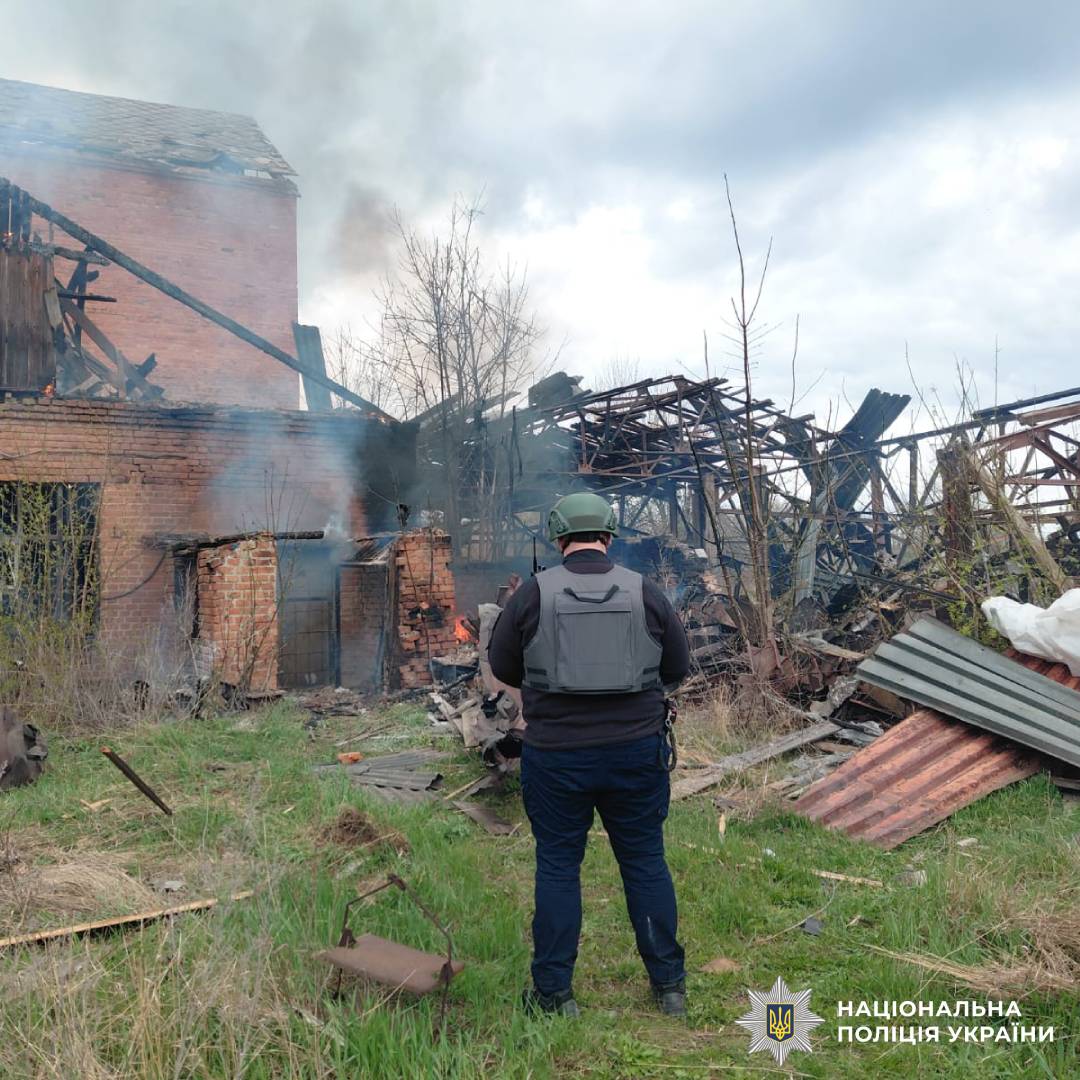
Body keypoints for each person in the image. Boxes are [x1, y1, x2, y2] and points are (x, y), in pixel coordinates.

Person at [488, 492, 691, 1019]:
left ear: (558, 538)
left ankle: (555, 994)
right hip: (636, 754)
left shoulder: (533, 594)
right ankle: (669, 986)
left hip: (556, 756)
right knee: (646, 863)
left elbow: (504, 667)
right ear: (609, 535)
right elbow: (677, 668)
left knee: (558, 867)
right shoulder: (645, 591)